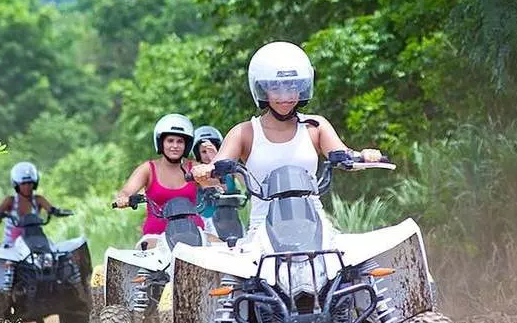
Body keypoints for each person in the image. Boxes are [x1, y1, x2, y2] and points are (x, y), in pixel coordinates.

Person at [191, 41, 383, 232]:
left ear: (302, 88)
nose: (285, 96)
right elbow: (215, 171)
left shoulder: (316, 126)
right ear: (263, 89)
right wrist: (204, 173)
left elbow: (344, 156)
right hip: (263, 230)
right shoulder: (244, 132)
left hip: (314, 224)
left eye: (292, 87)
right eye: (276, 88)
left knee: (357, 259)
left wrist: (365, 155)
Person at [114, 114, 204, 242]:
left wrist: (214, 162)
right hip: (156, 236)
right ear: (161, 143)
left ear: (187, 145)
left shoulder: (194, 168)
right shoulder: (148, 169)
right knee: (144, 253)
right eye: (170, 141)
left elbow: (217, 186)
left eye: (180, 141)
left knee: (222, 247)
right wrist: (123, 198)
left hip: (194, 234)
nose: (175, 146)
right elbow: (126, 191)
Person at [0, 161, 57, 247]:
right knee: (9, 261)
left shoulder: (38, 199)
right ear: (16, 185)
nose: (27, 187)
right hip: (12, 244)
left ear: (35, 184)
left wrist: (56, 211)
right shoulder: (10, 201)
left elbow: (51, 208)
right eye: (23, 184)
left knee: (53, 255)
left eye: (30, 183)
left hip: (35, 241)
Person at [192, 125, 239, 238]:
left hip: (232, 222)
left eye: (211, 150)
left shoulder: (230, 171)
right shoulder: (197, 172)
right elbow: (214, 186)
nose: (208, 155)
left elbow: (227, 187)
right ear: (198, 155)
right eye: (204, 152)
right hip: (207, 224)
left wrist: (218, 160)